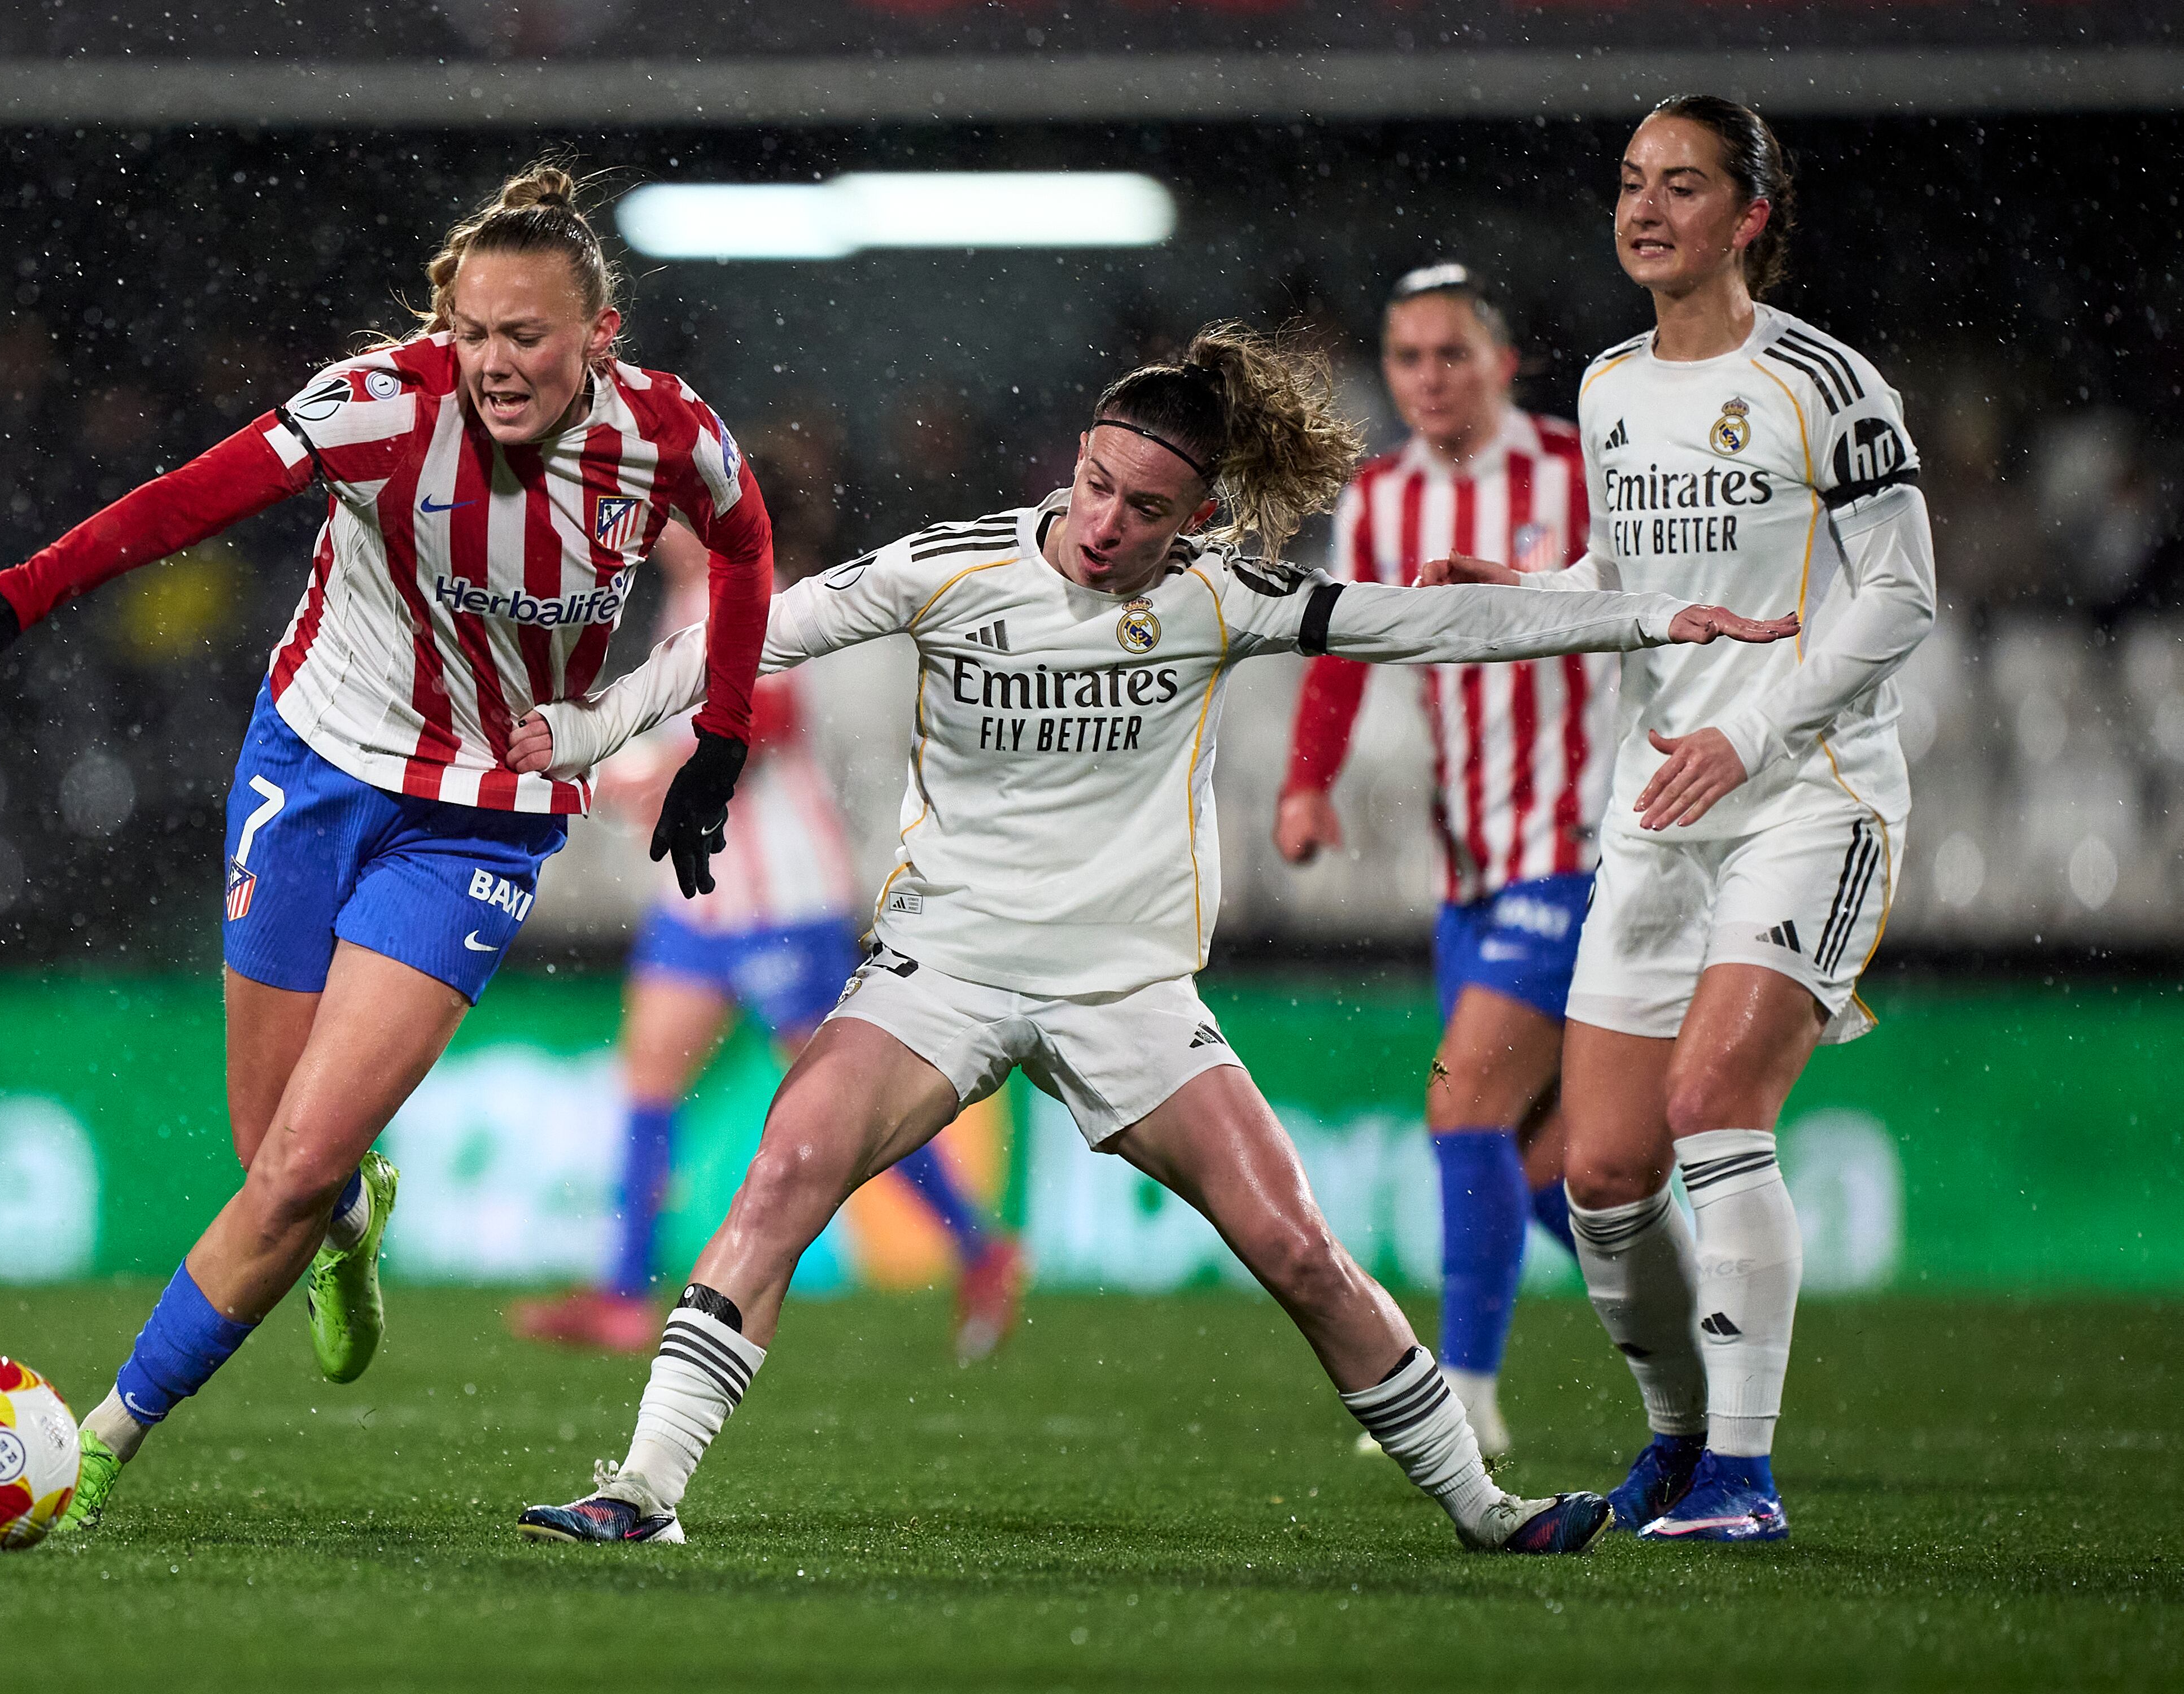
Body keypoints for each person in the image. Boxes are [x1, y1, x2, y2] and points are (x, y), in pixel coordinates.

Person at [504, 322, 1798, 1555]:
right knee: (786, 1173)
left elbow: (1432, 623)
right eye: (1093, 484)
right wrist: (581, 733)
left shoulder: (1223, 599)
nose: (1103, 523)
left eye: (1144, 509)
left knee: (1296, 1247)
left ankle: (1483, 1507)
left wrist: (1648, 616)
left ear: (1200, 524)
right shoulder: (949, 568)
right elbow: (745, 634)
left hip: (1125, 987)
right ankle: (645, 1487)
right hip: (941, 965)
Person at [0, 164, 775, 1530]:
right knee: (283, 1171)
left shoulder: (668, 437)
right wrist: (23, 595)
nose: (493, 363)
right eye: (473, 332)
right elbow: (188, 500)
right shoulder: (379, 403)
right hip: (308, 770)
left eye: (526, 336)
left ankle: (101, 1449)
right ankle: (356, 1216)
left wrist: (717, 740)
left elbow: (747, 543)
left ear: (599, 336)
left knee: (290, 1168)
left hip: (476, 812)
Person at [1417, 97, 1935, 1542]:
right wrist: (1523, 585)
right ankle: (1679, 1442)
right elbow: (1630, 570)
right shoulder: (1607, 386)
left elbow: (1901, 593)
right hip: (1656, 805)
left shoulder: (1825, 382)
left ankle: (1746, 1481)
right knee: (1601, 1170)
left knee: (1714, 1108)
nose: (1647, 210)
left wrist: (1755, 724)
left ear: (1751, 214)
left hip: (1807, 794)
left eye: (1684, 186)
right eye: (1633, 184)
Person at [508, 522, 1027, 1360]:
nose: (654, 522)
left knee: (841, 1106)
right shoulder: (685, 598)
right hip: (703, 902)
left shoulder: (760, 590)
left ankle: (981, 1247)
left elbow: (766, 722)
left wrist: (650, 776)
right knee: (647, 1079)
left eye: (672, 508)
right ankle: (623, 1295)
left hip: (784, 899)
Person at [1275, 264, 1602, 1459]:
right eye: (1407, 357)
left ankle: (1462, 1387)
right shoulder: (1383, 501)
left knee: (1465, 1103)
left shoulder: (1583, 471)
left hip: (1579, 852)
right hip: (1467, 869)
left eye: (1450, 354)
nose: (1427, 377)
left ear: (1503, 363)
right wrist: (1308, 781)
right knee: (1564, 1171)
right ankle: (1709, 1314)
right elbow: (1347, 650)